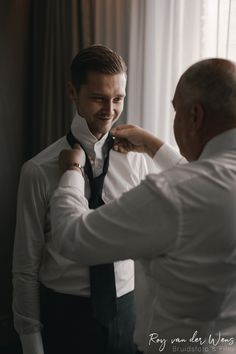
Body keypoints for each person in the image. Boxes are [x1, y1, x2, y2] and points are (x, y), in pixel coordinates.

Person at [50, 58, 236, 354]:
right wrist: (153, 145)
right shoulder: (36, 170)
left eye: (176, 111)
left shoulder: (173, 192)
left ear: (195, 117)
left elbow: (72, 237)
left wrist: (72, 172)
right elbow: (208, 182)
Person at [12, 45, 182, 354]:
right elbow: (25, 265)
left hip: (128, 312)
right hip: (65, 315)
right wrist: (31, 344)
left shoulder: (136, 160)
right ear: (72, 91)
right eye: (98, 98)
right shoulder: (37, 170)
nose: (110, 110)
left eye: (118, 99)